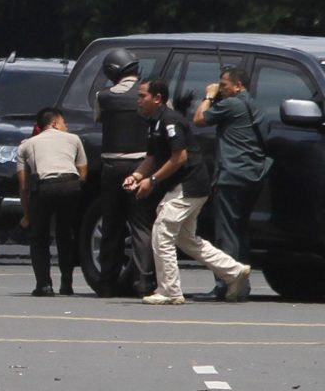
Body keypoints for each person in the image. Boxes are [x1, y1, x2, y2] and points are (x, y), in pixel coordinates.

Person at [127, 78, 250, 305]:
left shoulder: (170, 120)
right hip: (186, 186)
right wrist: (136, 176)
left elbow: (179, 157)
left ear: (157, 98)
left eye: (142, 96)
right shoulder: (154, 122)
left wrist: (152, 181)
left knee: (162, 230)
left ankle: (169, 290)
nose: (138, 100)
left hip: (190, 185)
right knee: (186, 239)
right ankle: (234, 271)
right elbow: (152, 158)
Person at [191, 66, 270, 301]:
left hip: (232, 175)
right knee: (240, 231)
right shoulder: (255, 106)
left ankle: (226, 283)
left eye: (225, 85)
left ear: (238, 85)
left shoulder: (232, 104)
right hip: (253, 175)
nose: (221, 88)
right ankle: (242, 285)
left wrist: (209, 96)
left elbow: (199, 119)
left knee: (226, 233)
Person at [93, 48, 157, 297]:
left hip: (111, 166)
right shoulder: (148, 95)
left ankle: (107, 281)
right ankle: (143, 281)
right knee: (141, 224)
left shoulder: (103, 96)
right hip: (141, 165)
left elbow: (98, 119)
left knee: (112, 224)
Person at [17, 108, 88, 297]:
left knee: (39, 238)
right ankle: (67, 284)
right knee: (65, 235)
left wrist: (27, 215)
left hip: (44, 187)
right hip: (70, 185)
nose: (67, 126)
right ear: (55, 123)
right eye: (64, 122)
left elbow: (23, 186)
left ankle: (44, 285)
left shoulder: (26, 145)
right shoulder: (74, 139)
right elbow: (83, 174)